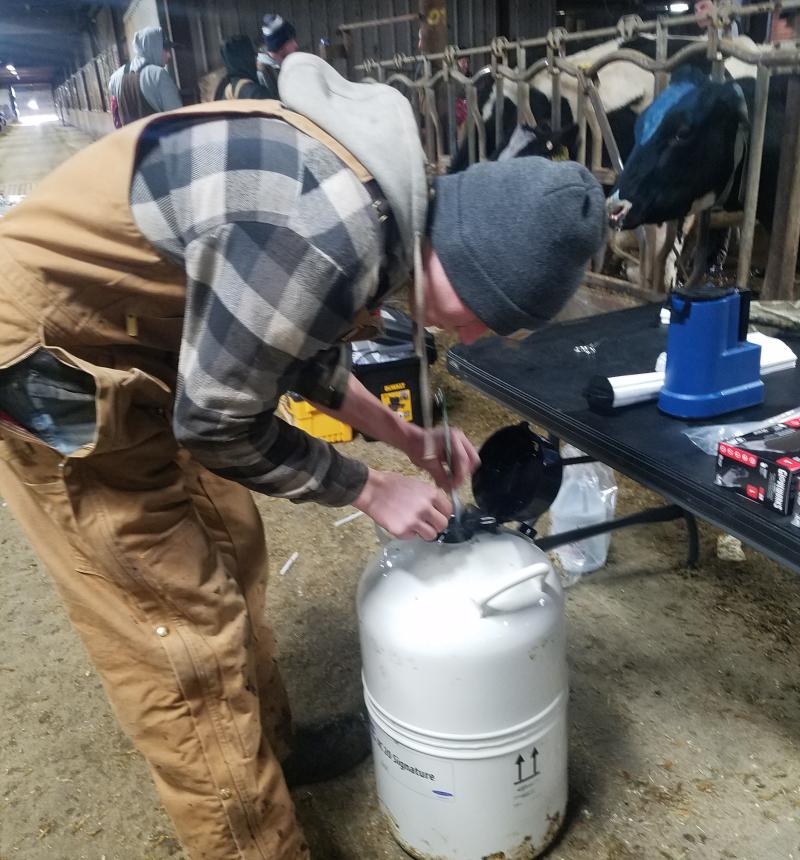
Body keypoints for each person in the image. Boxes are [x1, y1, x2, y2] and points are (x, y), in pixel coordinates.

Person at [0, 52, 605, 859]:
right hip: (52, 349)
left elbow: (293, 339)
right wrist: (365, 489)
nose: (472, 337)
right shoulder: (324, 236)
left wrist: (403, 435)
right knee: (180, 630)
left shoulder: (385, 210)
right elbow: (215, 427)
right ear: (465, 259)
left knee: (230, 536)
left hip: (161, 344)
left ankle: (270, 749)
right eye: (482, 316)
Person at [108, 26, 182, 127]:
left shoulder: (115, 78)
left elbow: (117, 118)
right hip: (159, 142)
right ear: (154, 47)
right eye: (166, 49)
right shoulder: (159, 75)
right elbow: (178, 118)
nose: (169, 55)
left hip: (132, 142)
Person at [215, 35, 274, 100]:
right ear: (246, 58)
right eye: (252, 54)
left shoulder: (226, 92)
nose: (256, 58)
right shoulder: (255, 93)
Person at [258, 13, 299, 95]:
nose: (296, 45)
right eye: (291, 41)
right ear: (279, 46)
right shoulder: (262, 73)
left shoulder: (283, 66)